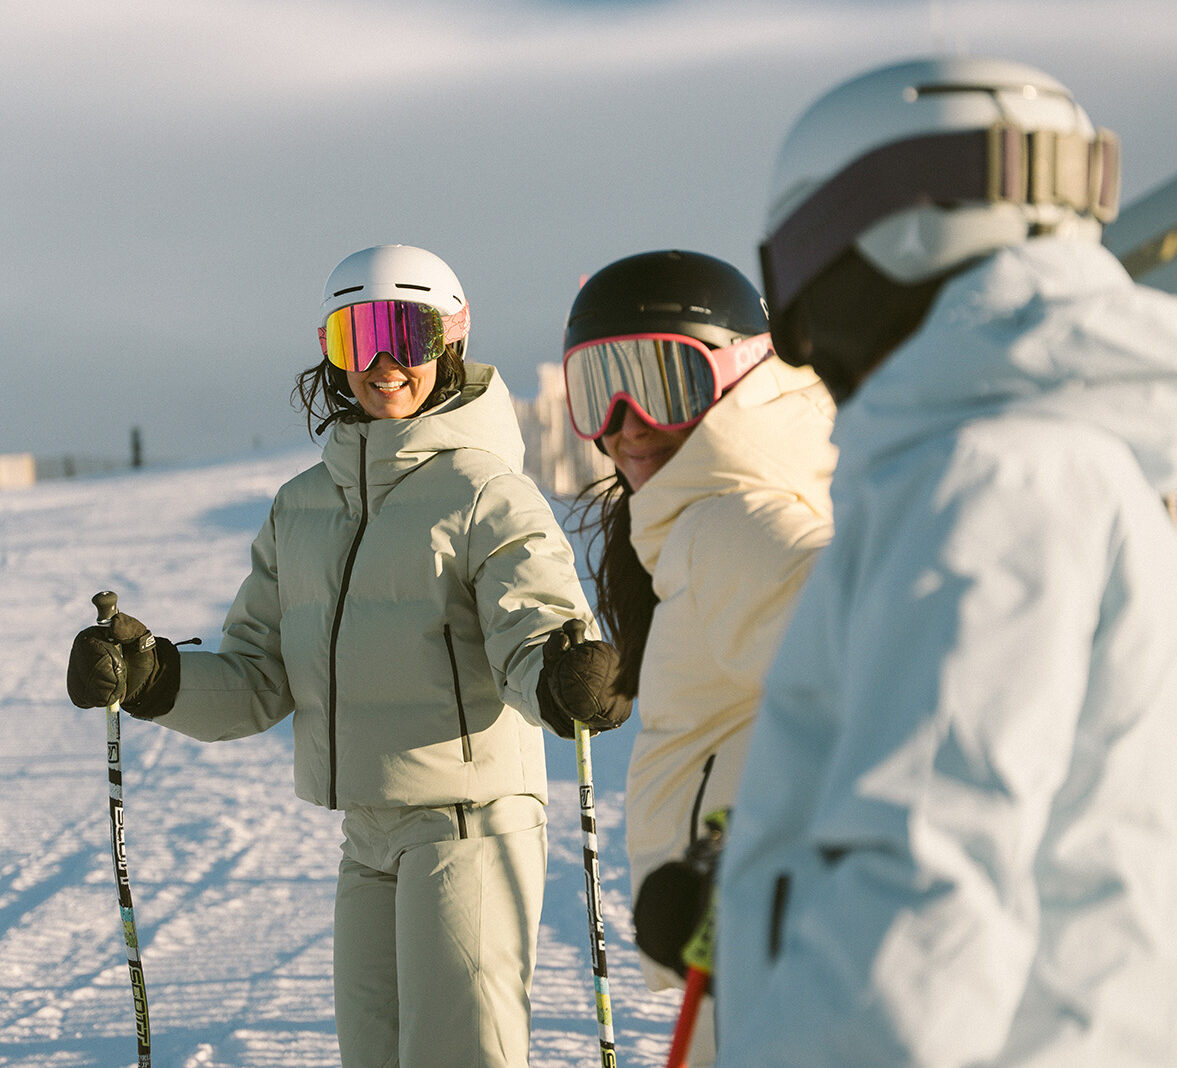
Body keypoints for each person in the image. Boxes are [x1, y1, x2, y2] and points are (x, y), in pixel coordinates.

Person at [66, 243, 631, 1068]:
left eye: (404, 332)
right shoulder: (302, 507)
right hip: (365, 837)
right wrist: (152, 677)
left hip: (470, 825)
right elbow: (257, 680)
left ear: (450, 336)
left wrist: (561, 676)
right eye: (352, 336)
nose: (380, 362)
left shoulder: (485, 491)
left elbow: (532, 626)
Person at [717, 56, 1177, 1066]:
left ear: (894, 231)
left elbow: (922, 883)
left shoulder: (991, 480)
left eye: (794, 276)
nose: (799, 347)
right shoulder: (1105, 462)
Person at [562, 249, 837, 1065]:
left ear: (738, 378)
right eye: (596, 388)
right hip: (764, 942)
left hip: (773, 948)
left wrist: (760, 877)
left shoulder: (731, 522)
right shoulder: (706, 518)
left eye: (660, 379)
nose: (625, 421)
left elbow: (887, 680)